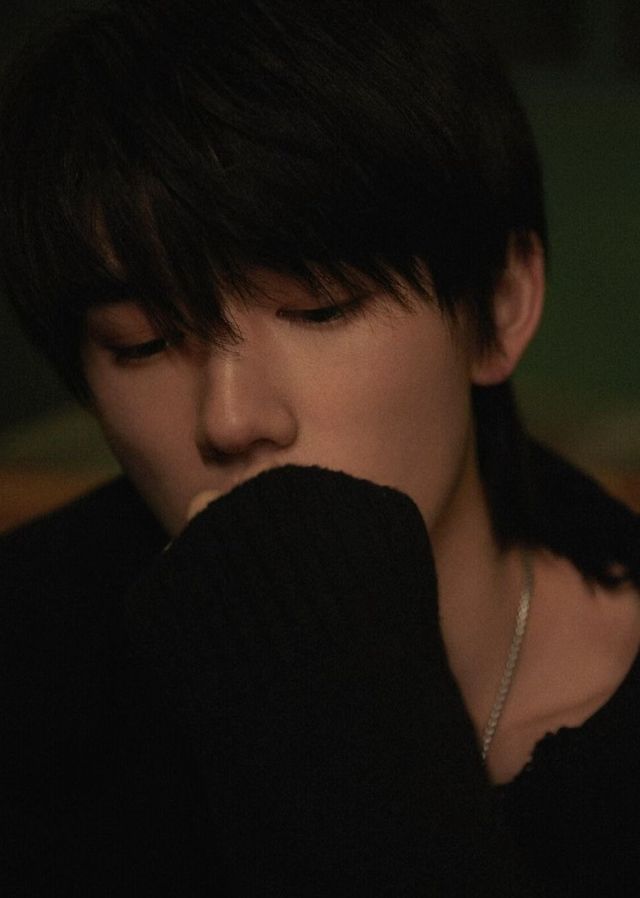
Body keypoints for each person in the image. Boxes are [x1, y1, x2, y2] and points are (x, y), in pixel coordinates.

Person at [2, 0, 639, 894]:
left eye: (318, 309)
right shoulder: (31, 660)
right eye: (143, 343)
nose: (230, 419)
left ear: (499, 306)